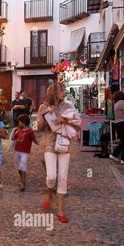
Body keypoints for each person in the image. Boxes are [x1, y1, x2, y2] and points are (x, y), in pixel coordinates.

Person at [37, 82, 81, 224]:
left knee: (62, 178)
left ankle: (60, 210)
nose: (64, 92)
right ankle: (49, 191)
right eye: (61, 90)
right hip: (49, 142)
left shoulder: (68, 106)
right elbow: (38, 127)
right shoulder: (43, 107)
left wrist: (64, 119)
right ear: (54, 92)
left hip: (64, 143)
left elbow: (78, 124)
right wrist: (46, 118)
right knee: (51, 176)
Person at [12, 114, 39, 191]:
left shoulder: (30, 131)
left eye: (19, 122)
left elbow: (34, 140)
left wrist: (40, 145)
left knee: (23, 166)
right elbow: (14, 138)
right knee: (18, 166)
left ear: (23, 122)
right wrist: (14, 131)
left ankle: (23, 183)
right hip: (17, 150)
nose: (18, 124)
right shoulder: (18, 130)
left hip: (24, 152)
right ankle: (22, 180)